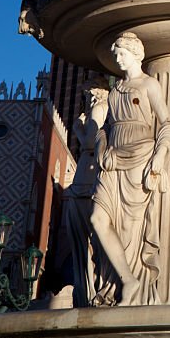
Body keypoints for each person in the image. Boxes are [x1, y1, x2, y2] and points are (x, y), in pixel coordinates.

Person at [90, 32, 170, 307]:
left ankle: (130, 283)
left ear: (137, 54)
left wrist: (159, 156)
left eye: (122, 54)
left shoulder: (150, 85)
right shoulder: (115, 90)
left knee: (130, 230)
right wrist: (101, 148)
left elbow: (166, 123)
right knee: (98, 220)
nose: (118, 59)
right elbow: (104, 128)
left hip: (140, 157)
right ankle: (127, 279)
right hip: (112, 160)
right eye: (116, 55)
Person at [65, 77, 110, 307]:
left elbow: (89, 144)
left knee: (84, 238)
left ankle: (89, 291)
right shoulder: (104, 108)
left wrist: (78, 128)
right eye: (87, 95)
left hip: (86, 178)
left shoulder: (99, 110)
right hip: (88, 176)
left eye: (92, 93)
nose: (89, 98)